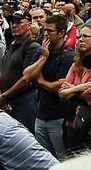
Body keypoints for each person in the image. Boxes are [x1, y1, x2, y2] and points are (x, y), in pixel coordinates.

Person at [32, 15, 75, 160]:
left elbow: (60, 85)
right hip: (41, 114)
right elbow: (27, 75)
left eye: (50, 31)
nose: (45, 34)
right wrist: (43, 58)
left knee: (62, 159)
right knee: (44, 159)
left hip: (58, 117)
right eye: (44, 30)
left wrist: (41, 80)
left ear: (61, 33)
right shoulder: (43, 51)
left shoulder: (68, 55)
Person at [59, 23, 91, 152]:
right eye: (79, 37)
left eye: (85, 36)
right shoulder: (76, 64)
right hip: (71, 119)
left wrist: (72, 89)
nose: (81, 40)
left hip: (90, 121)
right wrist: (79, 88)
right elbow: (62, 93)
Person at [0, 13, 45, 130]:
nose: (14, 26)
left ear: (29, 25)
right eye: (13, 23)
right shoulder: (12, 44)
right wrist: (0, 95)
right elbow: (2, 71)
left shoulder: (32, 46)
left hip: (24, 101)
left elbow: (28, 79)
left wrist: (5, 95)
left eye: (19, 23)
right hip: (7, 101)